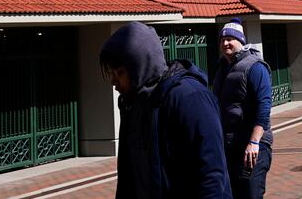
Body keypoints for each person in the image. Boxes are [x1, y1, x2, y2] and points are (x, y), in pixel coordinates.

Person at [99, 22, 231, 199]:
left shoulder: (189, 97)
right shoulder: (133, 104)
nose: (113, 81)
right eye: (111, 74)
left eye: (120, 73)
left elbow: (211, 175)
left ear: (140, 65)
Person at [211, 18, 273, 199]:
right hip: (229, 146)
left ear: (241, 41)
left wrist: (254, 142)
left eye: (230, 39)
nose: (225, 43)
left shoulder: (255, 67)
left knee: (251, 194)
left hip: (254, 147)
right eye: (222, 40)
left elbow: (264, 105)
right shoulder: (222, 67)